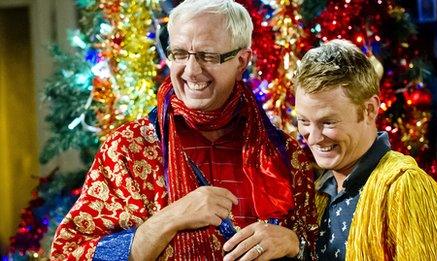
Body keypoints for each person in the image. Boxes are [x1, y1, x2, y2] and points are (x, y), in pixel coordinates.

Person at [50, 0, 318, 260]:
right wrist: (171, 218)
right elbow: (70, 253)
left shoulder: (284, 157)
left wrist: (295, 244)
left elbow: (328, 248)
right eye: (179, 53)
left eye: (208, 55)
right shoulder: (127, 150)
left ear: (241, 61)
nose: (191, 70)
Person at [293, 39, 437, 260]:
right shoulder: (318, 193)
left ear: (369, 110)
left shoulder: (404, 188)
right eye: (304, 121)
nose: (312, 138)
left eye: (328, 122)